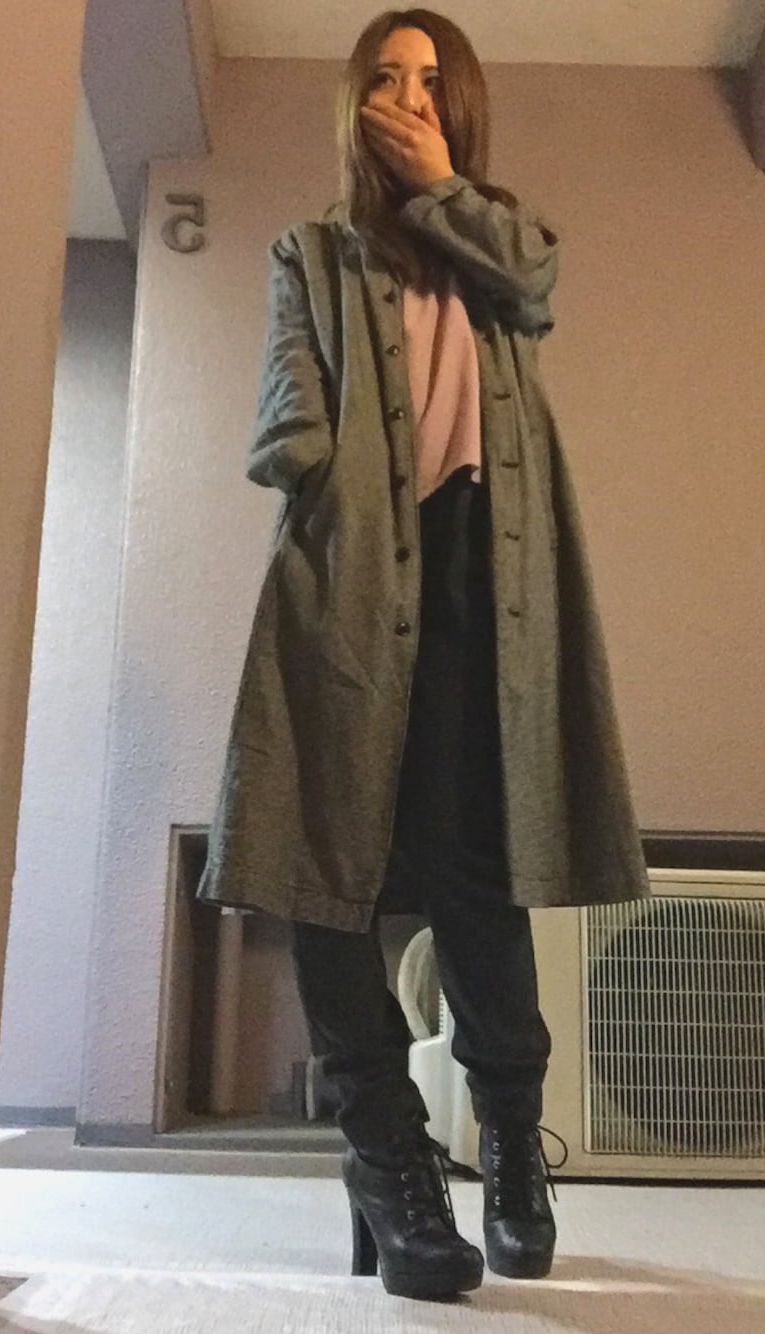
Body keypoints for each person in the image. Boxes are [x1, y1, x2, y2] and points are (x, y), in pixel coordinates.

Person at [198, 7, 651, 1302]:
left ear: (462, 109)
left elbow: (535, 282)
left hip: (487, 581)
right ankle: (388, 1158)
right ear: (353, 103)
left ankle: (509, 1148)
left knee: (478, 871)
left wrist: (442, 190)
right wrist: (312, 458)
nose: (408, 96)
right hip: (350, 574)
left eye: (431, 81)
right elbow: (283, 416)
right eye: (387, 78)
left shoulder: (494, 234)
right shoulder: (310, 252)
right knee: (323, 869)